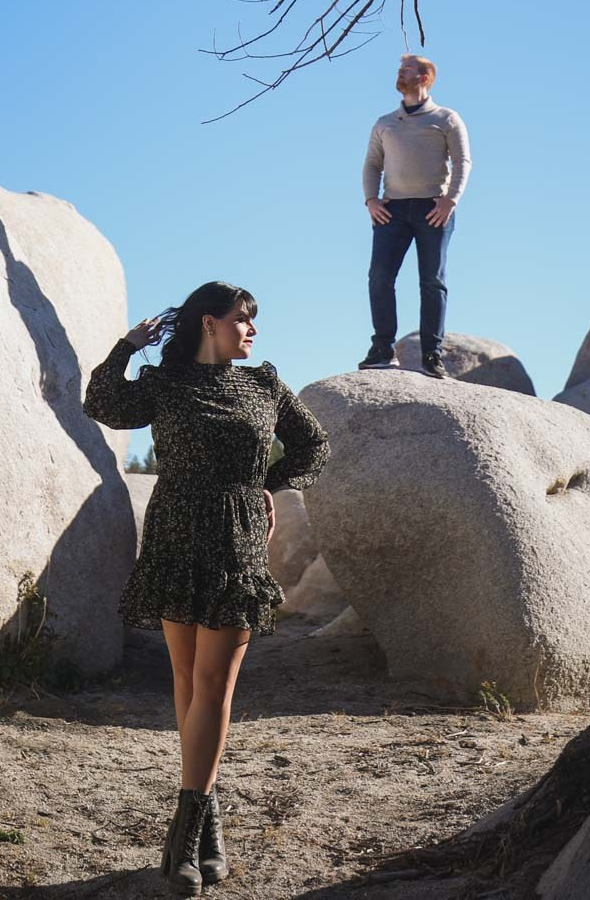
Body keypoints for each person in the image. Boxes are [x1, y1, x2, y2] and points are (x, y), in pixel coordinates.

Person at [83, 281, 328, 895]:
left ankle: (184, 836)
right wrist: (127, 346)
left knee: (215, 682)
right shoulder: (166, 383)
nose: (252, 330)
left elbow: (314, 444)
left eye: (253, 320)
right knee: (188, 680)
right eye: (243, 319)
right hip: (176, 534)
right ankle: (208, 821)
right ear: (209, 323)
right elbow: (102, 402)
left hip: (237, 537)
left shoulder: (264, 385)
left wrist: (270, 484)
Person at [359, 53, 471, 378]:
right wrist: (371, 200)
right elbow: (372, 164)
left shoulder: (446, 118)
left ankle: (432, 355)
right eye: (399, 69)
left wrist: (450, 201)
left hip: (433, 209)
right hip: (391, 210)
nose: (399, 74)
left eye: (406, 70)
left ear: (424, 77)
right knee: (380, 277)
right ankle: (382, 349)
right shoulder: (385, 123)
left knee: (432, 281)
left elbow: (463, 162)